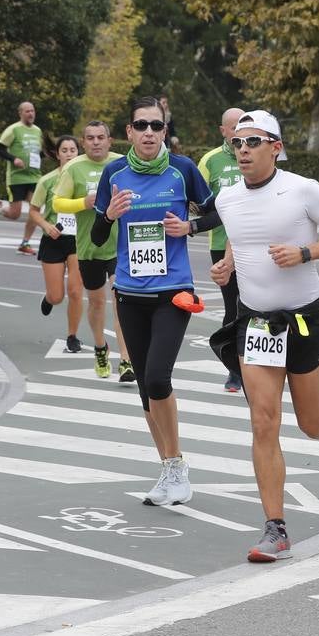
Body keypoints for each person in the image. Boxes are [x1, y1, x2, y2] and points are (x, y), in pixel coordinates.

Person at [208, 109, 319, 563]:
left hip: (305, 320)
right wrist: (228, 264)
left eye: (253, 142)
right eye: (236, 143)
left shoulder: (303, 190)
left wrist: (305, 252)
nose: (242, 150)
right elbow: (243, 237)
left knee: (310, 422)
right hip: (256, 322)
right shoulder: (227, 197)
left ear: (275, 147)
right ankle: (275, 528)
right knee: (263, 420)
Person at [92, 97, 217, 507]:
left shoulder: (183, 170)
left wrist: (190, 226)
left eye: (156, 126)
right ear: (128, 131)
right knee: (146, 387)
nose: (148, 132)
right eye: (141, 125)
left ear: (165, 131)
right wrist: (108, 215)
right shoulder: (114, 172)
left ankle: (178, 466)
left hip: (173, 292)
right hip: (129, 294)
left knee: (159, 377)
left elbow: (219, 212)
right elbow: (95, 238)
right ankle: (168, 468)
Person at [51, 121, 134, 381]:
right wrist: (83, 202)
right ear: (83, 143)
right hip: (89, 247)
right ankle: (100, 346)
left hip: (120, 246)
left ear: (110, 141)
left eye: (101, 137)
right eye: (90, 138)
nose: (96, 142)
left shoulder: (124, 163)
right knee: (97, 302)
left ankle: (126, 359)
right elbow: (57, 202)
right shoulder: (74, 167)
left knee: (121, 300)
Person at [197, 107, 246, 393]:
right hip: (220, 245)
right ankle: (235, 370)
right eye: (234, 127)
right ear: (223, 131)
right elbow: (197, 203)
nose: (239, 132)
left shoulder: (255, 153)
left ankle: (263, 364)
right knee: (233, 308)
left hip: (255, 245)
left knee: (258, 306)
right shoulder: (210, 161)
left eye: (243, 125)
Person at [29, 135, 85, 354]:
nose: (69, 154)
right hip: (53, 238)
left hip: (78, 240)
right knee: (57, 296)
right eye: (65, 150)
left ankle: (72, 336)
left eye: (73, 150)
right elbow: (33, 211)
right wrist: (45, 225)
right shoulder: (48, 181)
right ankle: (49, 298)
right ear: (57, 154)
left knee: (76, 290)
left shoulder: (84, 177)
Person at [0, 100, 44, 254]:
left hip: (34, 177)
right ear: (20, 113)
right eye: (27, 111)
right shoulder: (13, 130)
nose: (31, 114)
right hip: (16, 178)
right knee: (15, 214)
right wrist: (14, 159)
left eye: (32, 110)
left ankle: (25, 243)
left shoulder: (38, 131)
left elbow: (39, 152)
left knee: (35, 210)